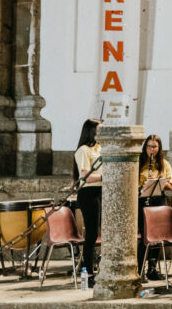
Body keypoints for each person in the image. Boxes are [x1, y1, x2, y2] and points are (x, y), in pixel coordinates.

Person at [137, 134, 172, 280]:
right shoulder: (138, 163)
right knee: (145, 237)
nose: (152, 150)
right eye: (149, 146)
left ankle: (152, 269)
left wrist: (160, 182)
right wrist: (145, 184)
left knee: (158, 237)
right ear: (145, 147)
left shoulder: (164, 164)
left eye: (155, 147)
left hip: (158, 201)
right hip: (143, 201)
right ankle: (140, 270)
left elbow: (171, 185)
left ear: (159, 148)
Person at [74, 119, 102, 287]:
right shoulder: (83, 150)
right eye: (100, 131)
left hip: (100, 191)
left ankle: (97, 268)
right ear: (91, 132)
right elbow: (85, 175)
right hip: (89, 193)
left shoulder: (99, 149)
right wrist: (104, 177)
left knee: (99, 231)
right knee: (91, 233)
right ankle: (88, 271)